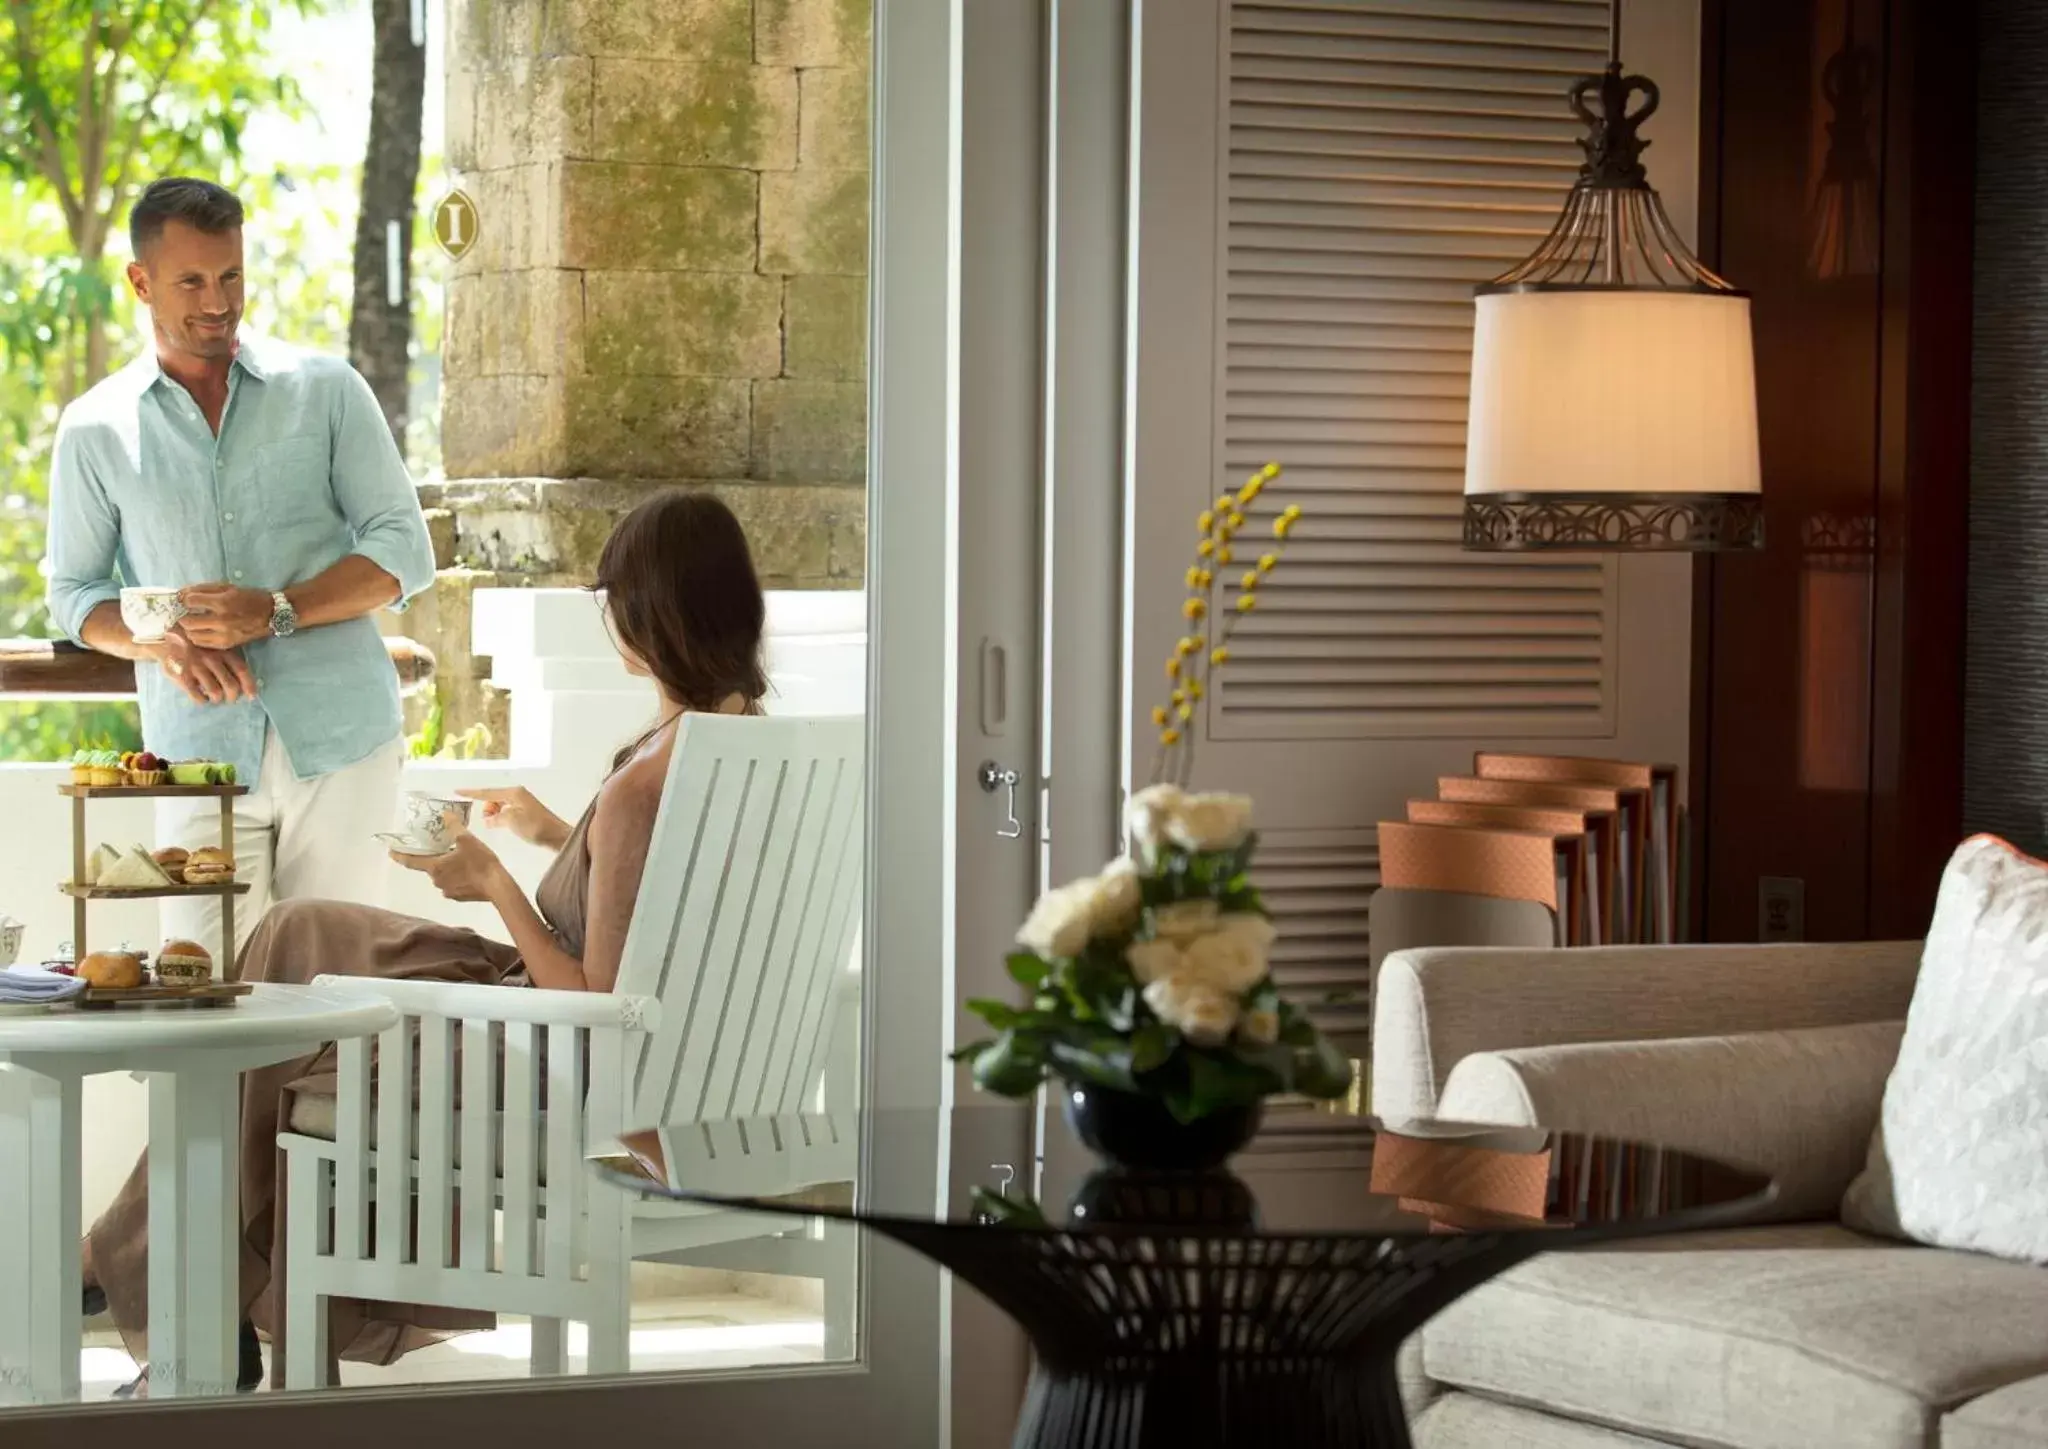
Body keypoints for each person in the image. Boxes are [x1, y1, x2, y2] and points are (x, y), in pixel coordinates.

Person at [81, 488, 771, 1393]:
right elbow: (659, 910)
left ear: (646, 612)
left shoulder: (651, 776)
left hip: (562, 1049)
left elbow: (595, 1000)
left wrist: (494, 882)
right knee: (295, 931)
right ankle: (158, 1281)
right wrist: (556, 832)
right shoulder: (741, 740)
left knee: (279, 1040)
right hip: (648, 1045)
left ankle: (138, 1276)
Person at [44, 176, 436, 954]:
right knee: (207, 992)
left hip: (344, 743)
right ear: (141, 281)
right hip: (197, 754)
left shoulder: (325, 391)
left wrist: (276, 608)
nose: (217, 301)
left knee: (342, 990)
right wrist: (157, 644)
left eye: (231, 276)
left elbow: (402, 550)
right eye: (191, 280)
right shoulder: (95, 428)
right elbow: (76, 592)